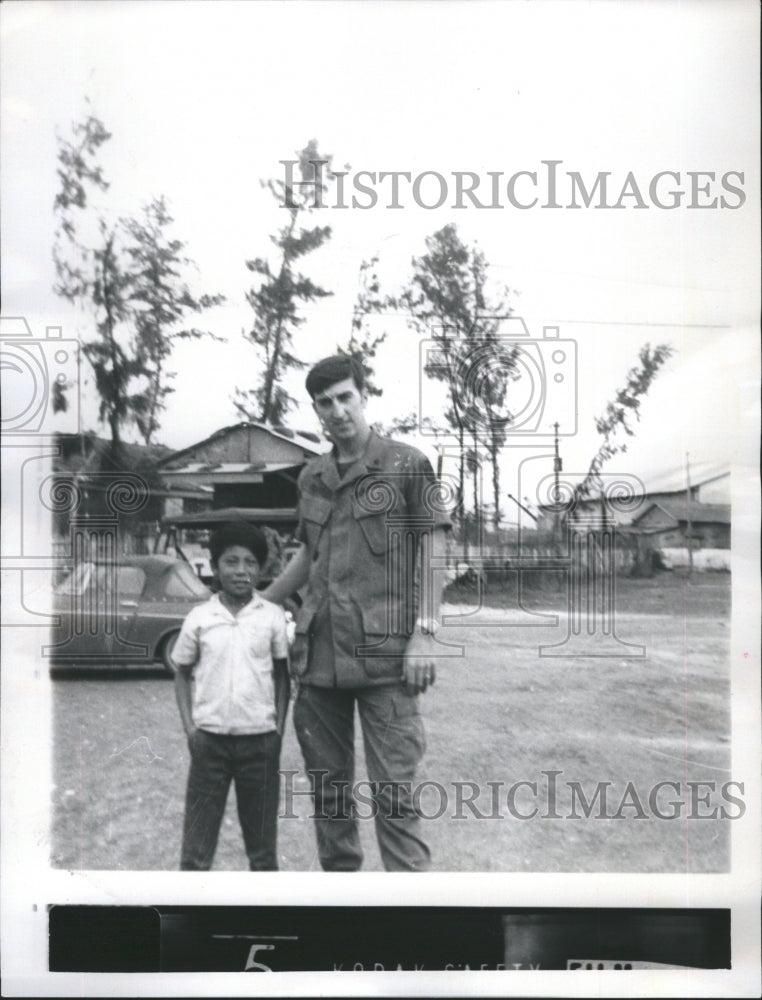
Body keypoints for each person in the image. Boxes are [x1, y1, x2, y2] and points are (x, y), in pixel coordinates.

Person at [262, 355, 451, 872]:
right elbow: (309, 555)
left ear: (364, 395)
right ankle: (346, 907)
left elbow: (435, 549)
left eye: (346, 397)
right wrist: (262, 604)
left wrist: (426, 633)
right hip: (319, 658)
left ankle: (410, 918)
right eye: (325, 402)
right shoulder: (312, 476)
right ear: (317, 411)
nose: (338, 410)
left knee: (395, 794)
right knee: (330, 797)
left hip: (387, 656)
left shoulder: (407, 464)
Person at [173, 522, 290, 871]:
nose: (241, 571)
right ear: (215, 566)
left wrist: (278, 731)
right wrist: (190, 729)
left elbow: (283, 678)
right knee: (196, 849)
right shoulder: (199, 617)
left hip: (260, 744)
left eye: (250, 563)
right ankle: (192, 919)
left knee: (263, 849)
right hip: (209, 744)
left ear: (261, 568)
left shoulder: (271, 617)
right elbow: (181, 672)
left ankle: (265, 922)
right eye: (232, 562)